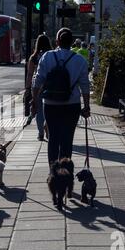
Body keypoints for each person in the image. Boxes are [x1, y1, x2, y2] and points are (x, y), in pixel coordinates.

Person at [32, 28, 91, 167]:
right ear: (71, 43)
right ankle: (64, 172)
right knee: (67, 140)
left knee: (53, 138)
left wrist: (34, 101)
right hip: (72, 105)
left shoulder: (47, 57)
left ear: (57, 41)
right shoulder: (80, 60)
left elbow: (37, 81)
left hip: (51, 104)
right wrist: (87, 106)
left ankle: (53, 172)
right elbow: (85, 86)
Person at [25, 34, 53, 141]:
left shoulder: (33, 57)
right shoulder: (51, 55)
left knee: (38, 109)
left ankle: (40, 132)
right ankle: (48, 129)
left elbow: (30, 74)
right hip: (49, 85)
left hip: (36, 86)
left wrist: (28, 88)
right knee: (49, 109)